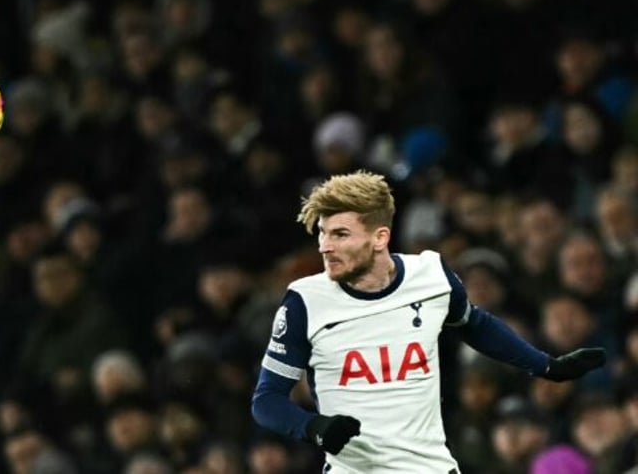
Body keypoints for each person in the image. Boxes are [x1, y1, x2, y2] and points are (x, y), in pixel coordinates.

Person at [251, 171, 607, 473]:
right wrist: (312, 426)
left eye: (340, 234)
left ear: (380, 237)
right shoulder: (306, 301)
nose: (325, 247)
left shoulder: (431, 276)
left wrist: (546, 365)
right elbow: (266, 400)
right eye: (323, 234)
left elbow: (475, 324)